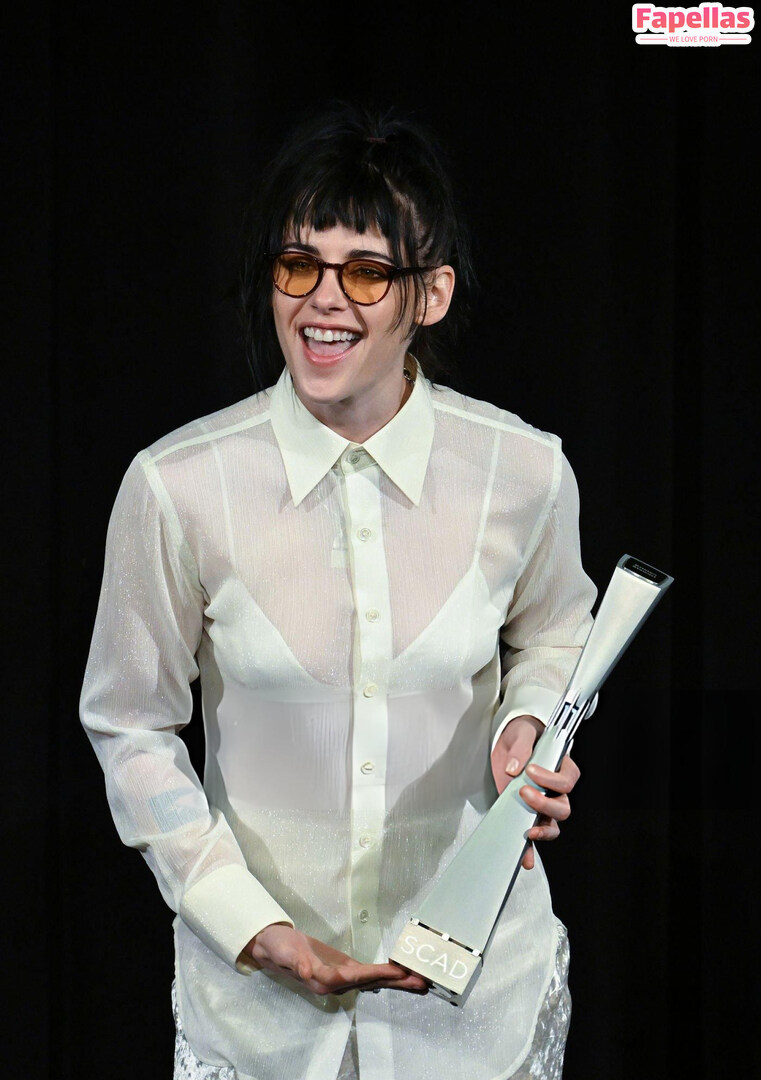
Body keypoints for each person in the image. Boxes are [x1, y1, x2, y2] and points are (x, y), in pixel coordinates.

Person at [80, 102, 597, 1080]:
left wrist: (530, 722)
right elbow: (128, 721)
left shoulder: (522, 471)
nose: (323, 301)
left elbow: (557, 632)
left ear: (431, 293)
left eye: (364, 272)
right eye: (298, 265)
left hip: (474, 1005)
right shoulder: (177, 485)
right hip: (259, 1018)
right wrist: (246, 921)